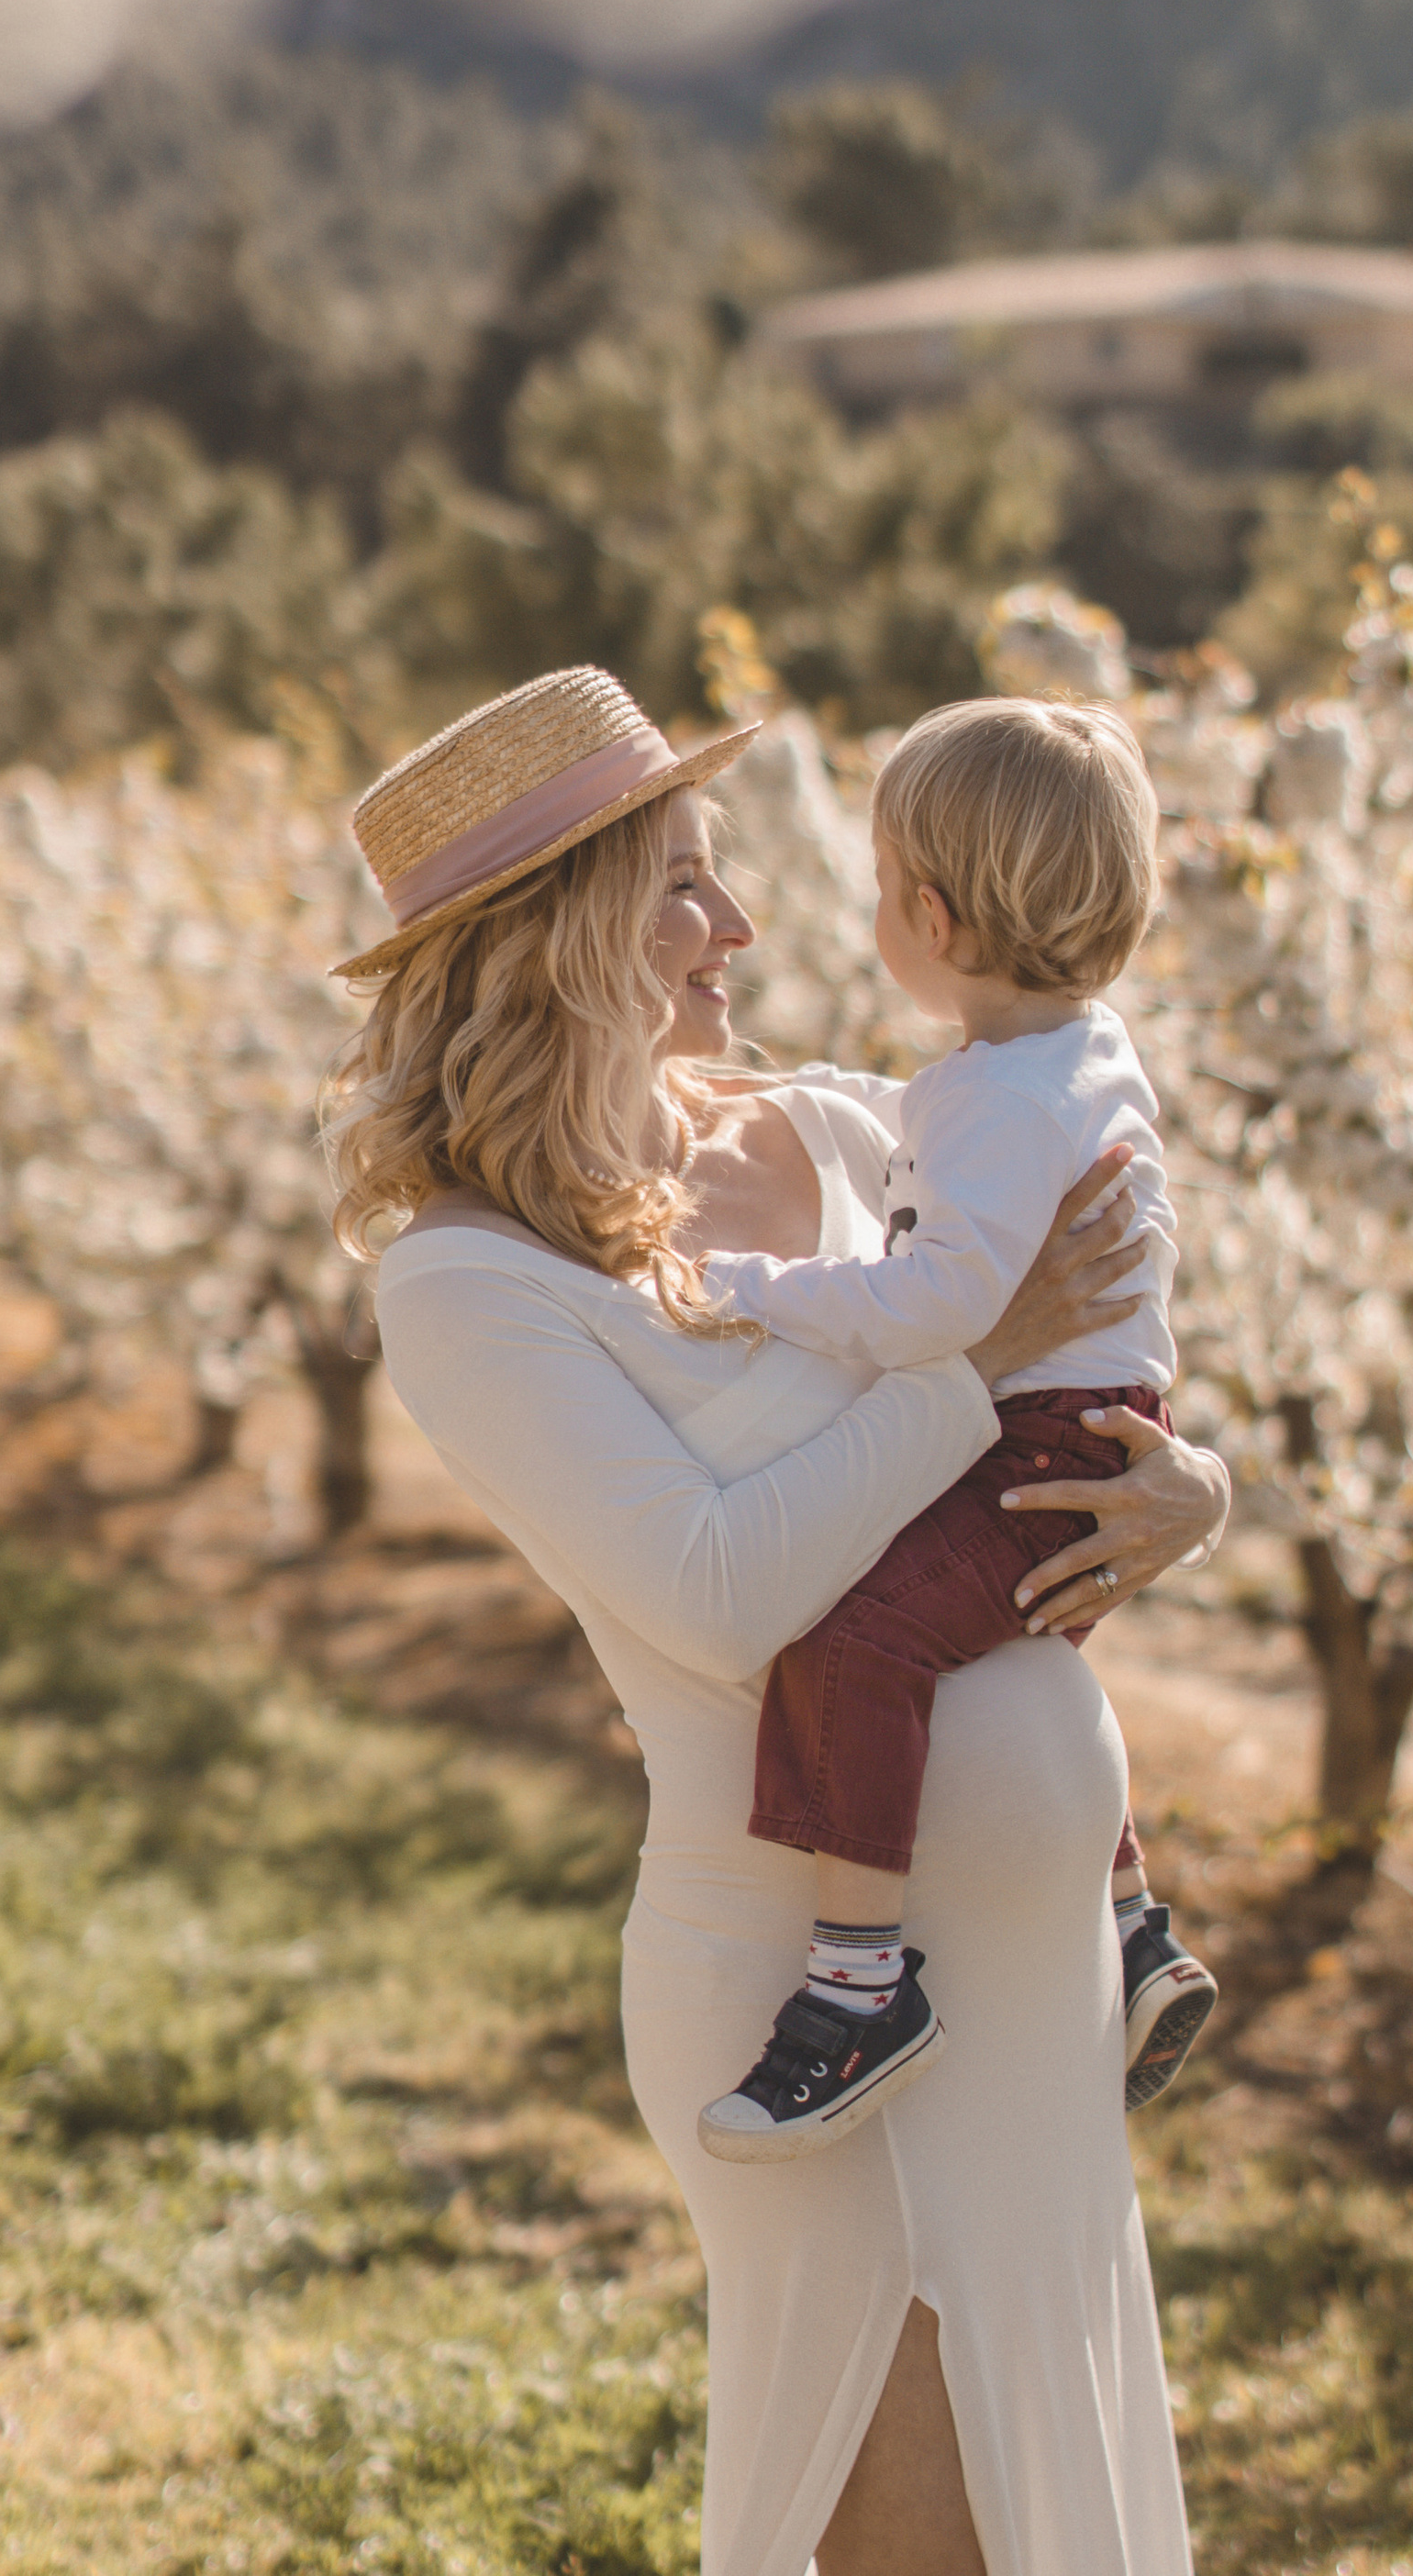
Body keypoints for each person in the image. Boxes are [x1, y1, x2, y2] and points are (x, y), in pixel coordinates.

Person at [329, 664, 1231, 2576]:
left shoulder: (834, 1134)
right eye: (678, 884)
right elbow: (723, 1596)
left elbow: (1095, 1332)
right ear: (550, 938)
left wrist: (1192, 1489)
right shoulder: (468, 1283)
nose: (737, 925)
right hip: (798, 1984)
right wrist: (965, 1374)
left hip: (1030, 1978)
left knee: (1049, 2512)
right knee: (914, 2543)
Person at [692, 696, 1218, 2166]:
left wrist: (753, 1290)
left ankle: (859, 1987)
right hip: (1102, 1430)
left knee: (857, 1643)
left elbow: (936, 1306)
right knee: (1006, 1648)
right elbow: (927, 1121)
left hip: (1037, 1444)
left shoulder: (994, 1100)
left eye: (876, 891)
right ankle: (1128, 1924)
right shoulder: (1074, 1054)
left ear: (925, 911)